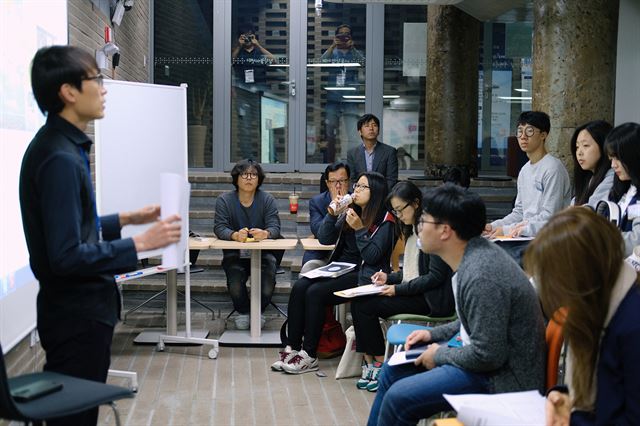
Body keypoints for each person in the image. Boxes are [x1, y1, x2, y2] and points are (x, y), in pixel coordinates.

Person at [19, 45, 182, 426]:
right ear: (68, 92)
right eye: (97, 79)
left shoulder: (59, 147)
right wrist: (141, 242)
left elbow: (71, 229)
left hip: (74, 313)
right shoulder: (59, 157)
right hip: (76, 315)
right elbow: (65, 256)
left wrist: (125, 218)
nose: (104, 88)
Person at [368, 184, 545, 426]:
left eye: (425, 221)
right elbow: (469, 322)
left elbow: (488, 355)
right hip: (486, 365)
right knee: (392, 371)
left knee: (399, 398)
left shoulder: (481, 273)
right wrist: (432, 334)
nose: (419, 227)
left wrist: (439, 354)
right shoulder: (473, 258)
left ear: (445, 231)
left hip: (501, 379)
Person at [523, 208, 640, 426]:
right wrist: (562, 395)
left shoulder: (631, 325)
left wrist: (573, 418)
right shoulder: (597, 308)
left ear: (582, 275)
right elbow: (593, 386)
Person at [272, 172, 394, 374]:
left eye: (363, 187)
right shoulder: (351, 211)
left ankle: (309, 355)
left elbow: (373, 257)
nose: (356, 190)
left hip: (364, 274)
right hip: (340, 268)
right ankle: (292, 348)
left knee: (316, 293)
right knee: (301, 286)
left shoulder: (385, 220)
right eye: (357, 186)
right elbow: (324, 238)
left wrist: (360, 229)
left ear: (377, 192)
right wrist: (332, 213)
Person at [350, 181, 454, 392]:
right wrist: (388, 278)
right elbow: (411, 271)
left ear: (415, 203)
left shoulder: (430, 229)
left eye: (400, 210)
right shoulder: (412, 229)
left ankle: (380, 362)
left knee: (367, 306)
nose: (398, 216)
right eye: (395, 211)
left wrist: (397, 289)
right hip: (416, 292)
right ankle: (371, 362)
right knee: (359, 301)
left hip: (430, 299)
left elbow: (433, 277)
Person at [213, 159, 282, 330]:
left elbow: (275, 226)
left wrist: (265, 233)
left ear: (259, 179)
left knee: (267, 282)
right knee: (235, 281)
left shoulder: (267, 199)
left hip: (263, 253)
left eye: (253, 174)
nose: (249, 178)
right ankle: (243, 312)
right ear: (236, 178)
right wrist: (234, 235)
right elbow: (219, 227)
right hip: (235, 254)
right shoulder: (224, 200)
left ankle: (258, 312)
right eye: (244, 174)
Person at [485, 111, 571, 238]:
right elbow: (519, 212)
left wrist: (506, 230)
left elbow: (549, 217)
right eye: (520, 131)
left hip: (549, 238)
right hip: (525, 234)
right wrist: (494, 226)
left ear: (543, 135)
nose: (523, 136)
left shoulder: (553, 168)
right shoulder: (524, 171)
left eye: (529, 131)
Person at [319, 24, 365, 163]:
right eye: (341, 35)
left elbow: (363, 63)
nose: (344, 37)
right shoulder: (332, 52)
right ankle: (329, 163)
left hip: (350, 98)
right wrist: (333, 45)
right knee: (330, 132)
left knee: (352, 132)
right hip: (333, 97)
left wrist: (353, 48)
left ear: (351, 37)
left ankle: (351, 162)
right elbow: (321, 62)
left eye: (347, 34)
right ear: (336, 37)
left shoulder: (355, 53)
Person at [231, 24, 276, 160]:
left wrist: (259, 45)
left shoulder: (259, 52)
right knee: (244, 128)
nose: (247, 39)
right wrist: (238, 46)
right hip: (242, 94)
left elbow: (273, 60)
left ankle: (271, 158)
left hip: (259, 94)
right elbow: (228, 62)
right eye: (244, 36)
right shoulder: (238, 52)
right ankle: (247, 159)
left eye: (250, 36)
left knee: (265, 126)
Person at [301, 161, 351, 274]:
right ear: (327, 183)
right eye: (333, 181)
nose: (338, 185)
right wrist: (333, 209)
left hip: (346, 253)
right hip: (321, 253)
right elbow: (318, 232)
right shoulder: (317, 202)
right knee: (307, 273)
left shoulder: (356, 200)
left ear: (348, 181)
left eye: (342, 181)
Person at [602, 122, 640, 257]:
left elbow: (636, 242)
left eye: (617, 158)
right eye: (611, 158)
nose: (613, 165)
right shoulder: (624, 187)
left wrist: (599, 240)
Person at [347, 114, 399, 191]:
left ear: (378, 131)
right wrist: (360, 193)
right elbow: (352, 180)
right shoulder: (352, 153)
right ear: (360, 131)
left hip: (382, 196)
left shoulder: (389, 152)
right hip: (360, 196)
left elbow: (391, 180)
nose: (371, 128)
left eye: (374, 125)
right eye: (367, 126)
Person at [570, 120, 614, 208]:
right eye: (577, 147)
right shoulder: (588, 177)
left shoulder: (612, 176)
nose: (579, 153)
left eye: (585, 145)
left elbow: (590, 211)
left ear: (604, 146)